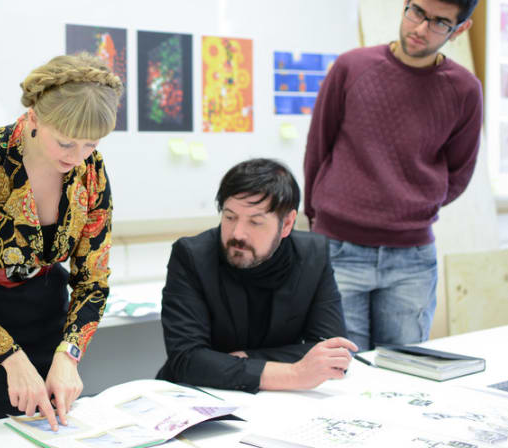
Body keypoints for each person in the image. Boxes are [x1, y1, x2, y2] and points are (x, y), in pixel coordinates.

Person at [0, 53, 121, 429]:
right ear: (33, 118)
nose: (77, 156)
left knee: (53, 429)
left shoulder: (91, 171)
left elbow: (93, 280)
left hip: (47, 304)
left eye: (90, 145)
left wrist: (68, 355)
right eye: (66, 143)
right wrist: (11, 359)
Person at [303, 0, 483, 352]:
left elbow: (460, 171)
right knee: (339, 371)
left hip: (412, 258)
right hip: (339, 248)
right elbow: (317, 149)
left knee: (404, 373)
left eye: (439, 23)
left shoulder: (464, 90)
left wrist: (413, 204)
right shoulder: (351, 67)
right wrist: (316, 218)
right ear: (405, 5)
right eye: (416, 12)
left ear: (460, 29)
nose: (420, 28)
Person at [156, 159, 357, 392]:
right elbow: (186, 359)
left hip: (274, 401)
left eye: (255, 222)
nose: (237, 233)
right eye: (230, 217)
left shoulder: (312, 255)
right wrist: (294, 374)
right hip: (198, 396)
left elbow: (332, 353)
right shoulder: (192, 256)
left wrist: (246, 358)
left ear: (287, 224)